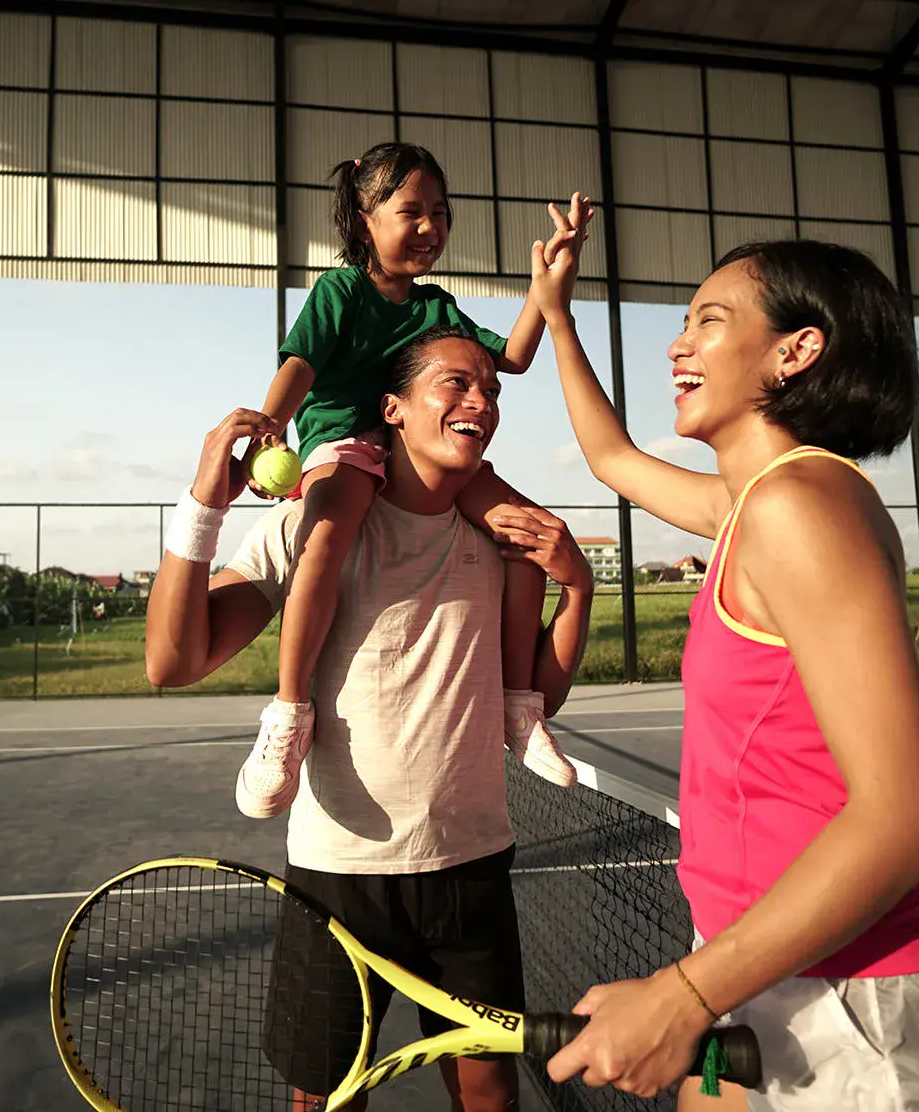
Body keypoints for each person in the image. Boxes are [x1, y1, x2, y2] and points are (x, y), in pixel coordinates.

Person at [533, 209, 919, 1111]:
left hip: (861, 1010)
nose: (680, 342)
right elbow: (609, 457)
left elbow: (907, 818)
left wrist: (682, 994)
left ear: (794, 352)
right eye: (684, 321)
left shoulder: (800, 507)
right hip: (758, 971)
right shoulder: (752, 507)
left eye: (709, 320)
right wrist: (557, 314)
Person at [145, 327, 596, 1112]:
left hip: (471, 866)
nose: (480, 401)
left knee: (490, 1094)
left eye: (490, 388)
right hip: (337, 876)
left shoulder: (503, 544)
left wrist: (579, 589)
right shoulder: (314, 526)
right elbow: (172, 659)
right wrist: (204, 501)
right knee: (322, 1098)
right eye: (455, 383)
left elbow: (536, 698)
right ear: (392, 408)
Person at [233, 142, 580, 819]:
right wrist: (271, 424)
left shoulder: (437, 306)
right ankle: (288, 713)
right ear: (365, 220)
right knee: (326, 533)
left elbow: (509, 357)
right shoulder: (341, 291)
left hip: (418, 443)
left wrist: (547, 290)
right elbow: (303, 365)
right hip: (350, 435)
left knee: (527, 532)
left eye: (441, 214)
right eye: (412, 211)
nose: (431, 227)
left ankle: (520, 707)